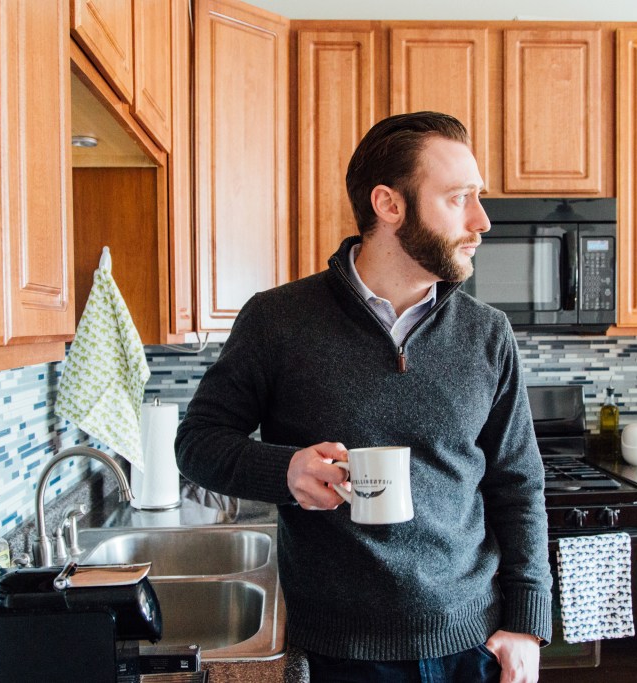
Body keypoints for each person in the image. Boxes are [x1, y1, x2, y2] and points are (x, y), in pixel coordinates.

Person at [175, 111, 552, 683]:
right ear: (389, 204)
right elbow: (197, 443)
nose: (482, 220)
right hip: (338, 652)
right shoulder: (278, 321)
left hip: (472, 643)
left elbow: (518, 483)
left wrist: (526, 623)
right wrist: (287, 472)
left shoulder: (487, 333)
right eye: (459, 198)